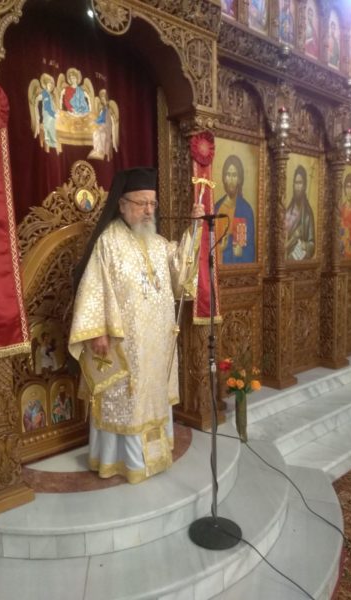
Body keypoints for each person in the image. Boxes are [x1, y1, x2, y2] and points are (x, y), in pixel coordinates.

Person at [68, 167, 205, 484]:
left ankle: (155, 455)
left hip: (156, 343)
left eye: (152, 204)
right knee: (125, 400)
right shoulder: (108, 242)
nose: (148, 210)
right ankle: (123, 461)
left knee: (153, 395)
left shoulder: (157, 242)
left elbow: (180, 276)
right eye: (141, 203)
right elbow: (94, 288)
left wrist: (194, 228)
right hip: (125, 344)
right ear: (122, 204)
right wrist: (98, 331)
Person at [215, 155, 255, 264]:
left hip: (236, 269)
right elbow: (209, 243)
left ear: (239, 179)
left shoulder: (246, 210)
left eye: (234, 175)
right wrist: (219, 249)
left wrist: (241, 252)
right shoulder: (217, 208)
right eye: (228, 174)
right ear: (224, 178)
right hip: (217, 268)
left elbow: (251, 249)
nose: (231, 180)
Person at [285, 165, 315, 260]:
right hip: (284, 258)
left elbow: (312, 244)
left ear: (304, 186)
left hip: (299, 261)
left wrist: (305, 245)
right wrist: (294, 237)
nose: (298, 187)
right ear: (293, 185)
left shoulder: (308, 214)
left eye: (300, 183)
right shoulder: (288, 211)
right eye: (296, 183)